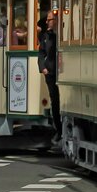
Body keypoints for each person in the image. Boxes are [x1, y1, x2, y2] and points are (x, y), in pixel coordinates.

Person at [38, 11, 62, 143]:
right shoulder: (46, 35)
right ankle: (58, 130)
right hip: (51, 73)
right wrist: (43, 68)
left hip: (61, 72)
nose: (47, 22)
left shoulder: (60, 35)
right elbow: (41, 53)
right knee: (55, 101)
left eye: (49, 20)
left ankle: (60, 129)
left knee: (60, 102)